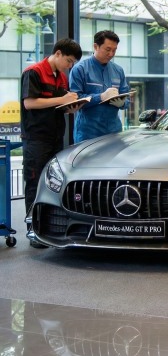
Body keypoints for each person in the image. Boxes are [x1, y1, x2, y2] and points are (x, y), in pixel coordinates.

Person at [20, 38, 83, 247]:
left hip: (56, 137)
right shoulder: (34, 72)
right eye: (69, 61)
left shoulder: (61, 78)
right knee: (35, 183)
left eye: (73, 63)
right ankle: (33, 232)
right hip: (36, 139)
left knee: (53, 184)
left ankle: (50, 228)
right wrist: (61, 101)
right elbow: (30, 103)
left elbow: (58, 105)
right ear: (57, 54)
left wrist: (71, 107)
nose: (70, 66)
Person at [69, 30, 130, 142]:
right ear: (96, 46)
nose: (111, 54)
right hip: (88, 133)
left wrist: (122, 103)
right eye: (108, 49)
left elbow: (127, 99)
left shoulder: (118, 70)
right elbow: (75, 100)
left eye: (114, 50)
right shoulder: (80, 69)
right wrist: (101, 97)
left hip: (113, 131)